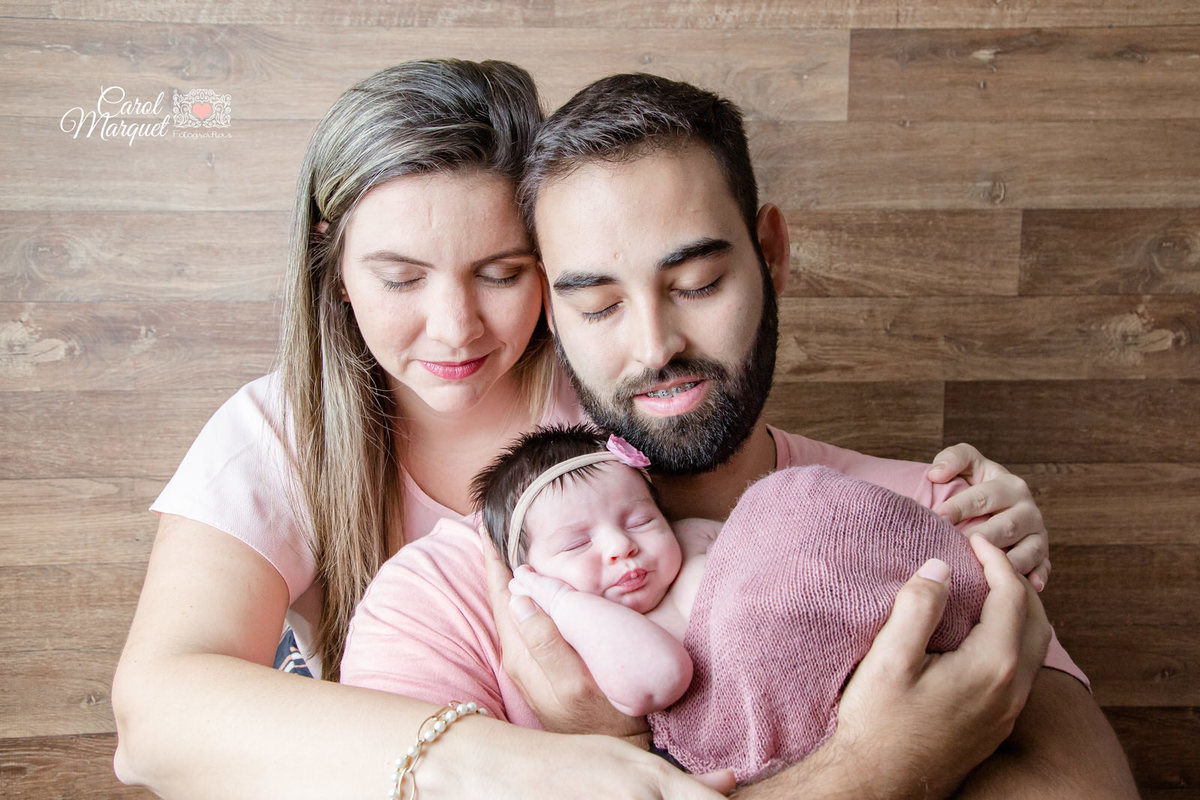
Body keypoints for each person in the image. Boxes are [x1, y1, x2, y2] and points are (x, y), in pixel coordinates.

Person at [109, 56, 1075, 798]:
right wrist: (530, 763)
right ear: (329, 258)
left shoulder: (621, 421)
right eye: (400, 277)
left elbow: (795, 513)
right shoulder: (282, 435)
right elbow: (153, 718)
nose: (455, 328)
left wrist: (950, 508)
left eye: (503, 272)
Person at [341, 72, 1139, 797]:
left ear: (772, 255)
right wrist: (869, 769)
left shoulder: (924, 509)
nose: (655, 347)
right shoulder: (436, 603)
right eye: (599, 306)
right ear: (553, 311)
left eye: (697, 284)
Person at [475, 424, 991, 785]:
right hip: (769, 719)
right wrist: (558, 601)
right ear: (531, 575)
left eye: (638, 520)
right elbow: (658, 677)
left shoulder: (692, 538)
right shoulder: (594, 629)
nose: (620, 546)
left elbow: (784, 547)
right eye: (576, 545)